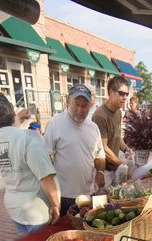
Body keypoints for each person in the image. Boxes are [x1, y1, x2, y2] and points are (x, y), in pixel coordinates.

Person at [0, 91, 60, 234]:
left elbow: (10, 130)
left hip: (15, 209)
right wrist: (56, 204)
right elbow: (45, 177)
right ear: (12, 108)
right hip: (36, 210)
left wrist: (17, 118)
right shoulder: (29, 138)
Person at [44, 84, 106, 216]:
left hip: (88, 193)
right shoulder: (54, 124)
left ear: (90, 106)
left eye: (84, 106)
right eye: (76, 104)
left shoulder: (93, 128)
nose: (80, 110)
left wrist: (100, 172)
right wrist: (50, 195)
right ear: (67, 101)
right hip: (64, 194)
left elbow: (100, 155)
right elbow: (46, 159)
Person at [92, 76, 132, 185]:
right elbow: (103, 148)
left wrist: (126, 149)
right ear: (111, 92)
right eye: (121, 93)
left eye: (126, 94)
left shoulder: (118, 112)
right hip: (103, 171)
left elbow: (117, 137)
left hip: (114, 168)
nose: (125, 97)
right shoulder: (100, 115)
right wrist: (121, 164)